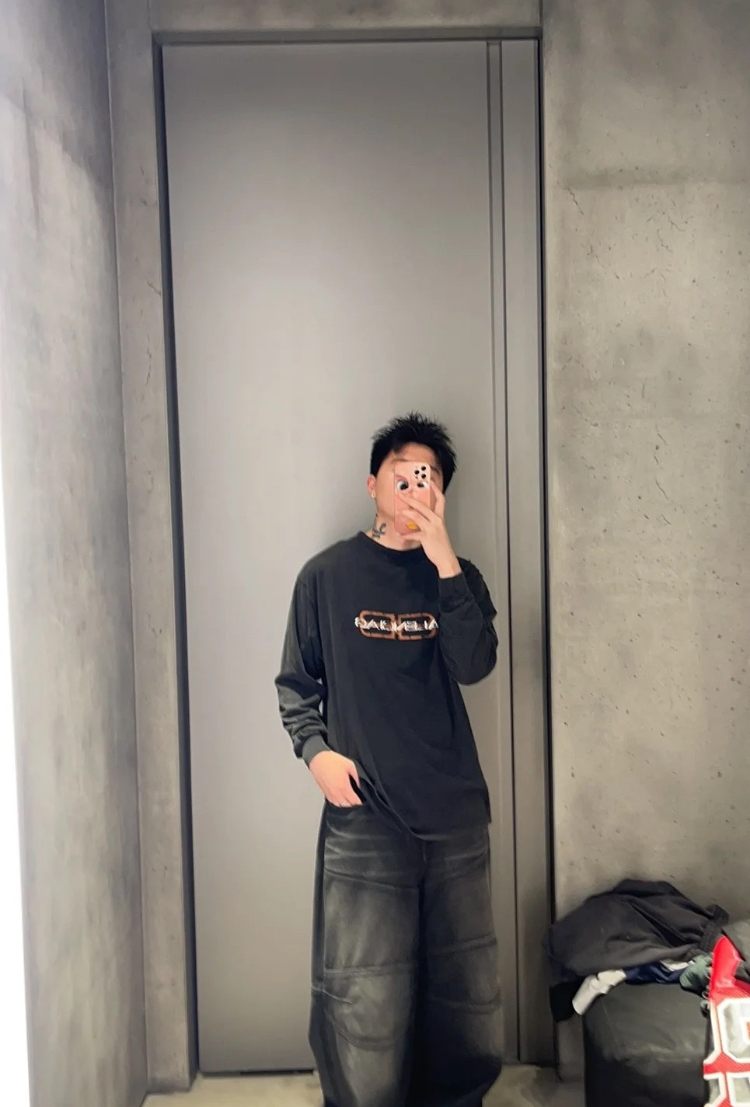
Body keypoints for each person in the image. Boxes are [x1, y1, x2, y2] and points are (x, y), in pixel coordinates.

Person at [276, 413, 503, 1107]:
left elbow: (476, 664)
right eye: (400, 477)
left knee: (465, 995)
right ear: (372, 483)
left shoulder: (458, 577)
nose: (411, 491)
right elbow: (296, 684)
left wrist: (444, 561)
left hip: (454, 815)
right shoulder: (326, 576)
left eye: (425, 480)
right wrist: (316, 753)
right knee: (362, 998)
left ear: (441, 493)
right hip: (365, 818)